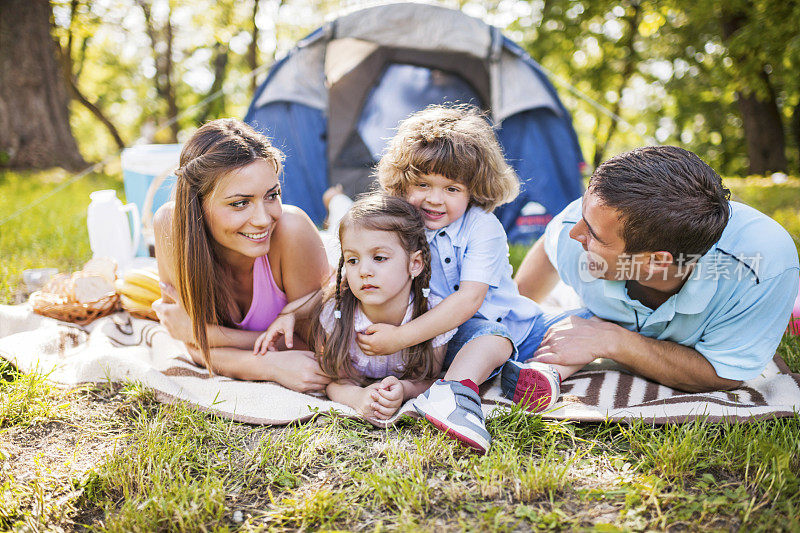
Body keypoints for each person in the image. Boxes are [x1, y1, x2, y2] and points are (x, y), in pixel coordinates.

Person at [355, 104, 575, 453]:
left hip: (519, 324)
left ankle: (534, 373)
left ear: (474, 188)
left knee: (582, 325)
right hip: (453, 336)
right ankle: (454, 393)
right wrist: (295, 312)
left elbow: (472, 298)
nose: (434, 198)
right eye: (422, 183)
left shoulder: (482, 227)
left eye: (452, 188)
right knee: (491, 338)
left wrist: (400, 337)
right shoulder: (397, 228)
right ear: (402, 181)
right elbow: (353, 268)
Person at [515, 145, 800, 392]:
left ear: (657, 262)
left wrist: (613, 341)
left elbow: (723, 373)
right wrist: (514, 316)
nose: (575, 234)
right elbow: (551, 243)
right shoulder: (578, 231)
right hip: (582, 297)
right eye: (582, 217)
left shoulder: (761, 269)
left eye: (594, 235)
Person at [152, 119, 331, 393]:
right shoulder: (172, 227)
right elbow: (191, 345)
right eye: (240, 203)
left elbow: (317, 344)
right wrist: (268, 365)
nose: (262, 219)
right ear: (197, 205)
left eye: (272, 195)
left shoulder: (292, 231)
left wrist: (213, 336)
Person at [255, 194, 455, 421]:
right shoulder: (336, 312)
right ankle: (336, 203)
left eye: (379, 258)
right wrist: (358, 397)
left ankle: (337, 200)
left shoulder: (432, 317)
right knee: (339, 232)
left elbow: (428, 378)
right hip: (331, 266)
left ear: (415, 264)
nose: (364, 271)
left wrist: (406, 389)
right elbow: (336, 382)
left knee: (345, 219)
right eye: (352, 261)